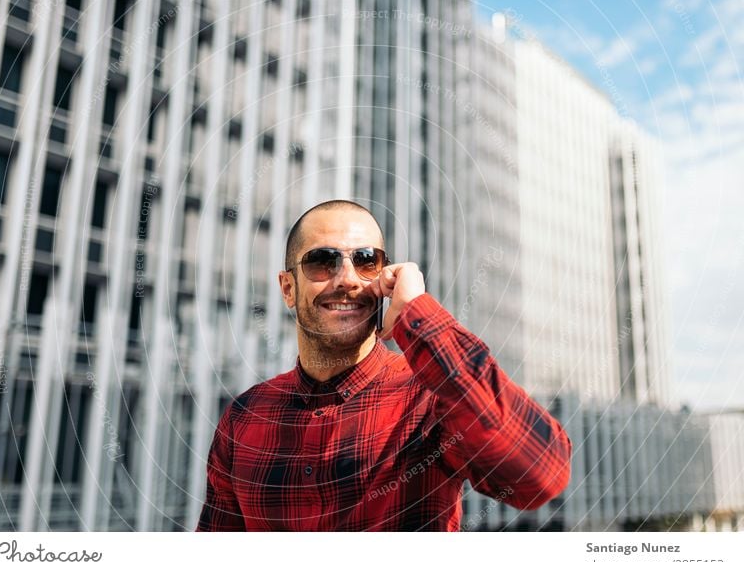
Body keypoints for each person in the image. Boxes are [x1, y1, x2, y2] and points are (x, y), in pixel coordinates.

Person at [196, 200, 571, 531]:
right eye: (322, 261)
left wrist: (416, 312)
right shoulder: (244, 418)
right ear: (288, 288)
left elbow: (540, 475)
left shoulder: (430, 396)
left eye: (366, 261)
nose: (347, 280)